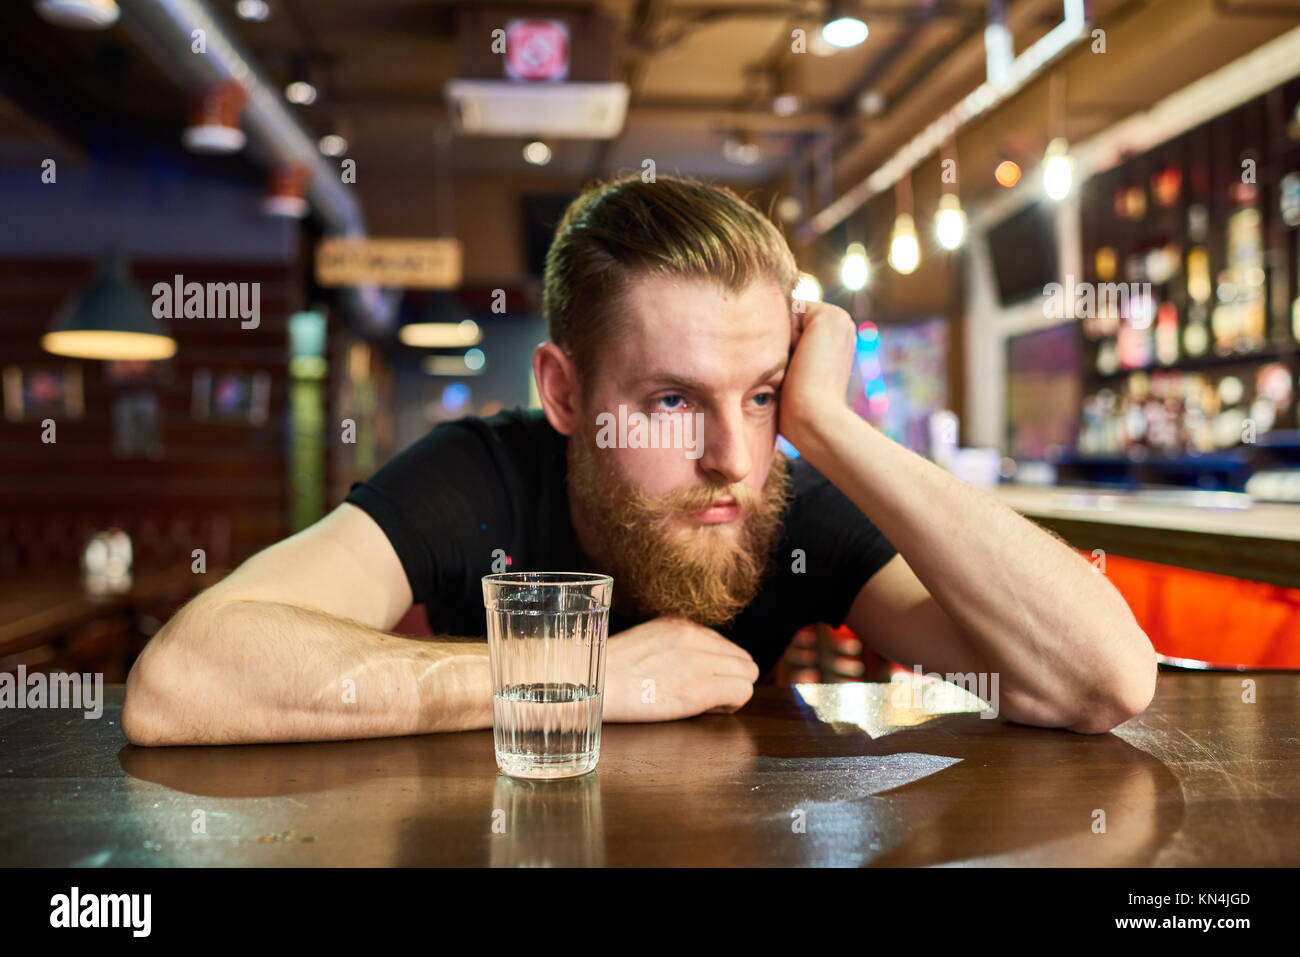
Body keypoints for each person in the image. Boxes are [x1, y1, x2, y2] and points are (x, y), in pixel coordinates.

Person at [122, 174, 1156, 746]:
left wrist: (833, 426)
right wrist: (575, 678)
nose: (731, 460)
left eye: (759, 396)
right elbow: (183, 681)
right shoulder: (479, 478)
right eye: (670, 401)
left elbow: (1101, 683)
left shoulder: (778, 494)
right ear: (565, 395)